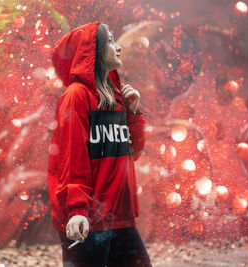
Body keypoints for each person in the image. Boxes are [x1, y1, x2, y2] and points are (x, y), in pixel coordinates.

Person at [47, 21, 152, 266]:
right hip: (88, 222)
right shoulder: (76, 96)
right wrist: (77, 211)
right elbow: (72, 159)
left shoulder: (116, 98)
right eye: (111, 42)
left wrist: (133, 113)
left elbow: (132, 153)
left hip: (120, 219)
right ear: (92, 50)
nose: (118, 48)